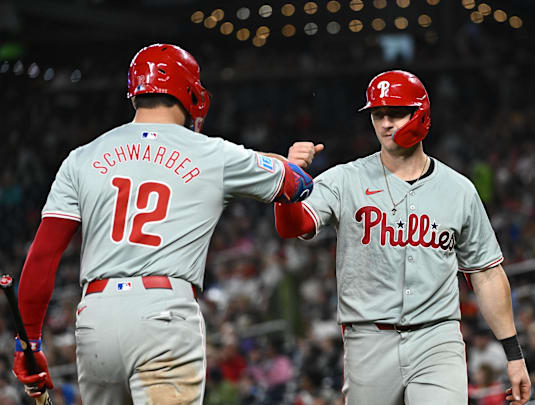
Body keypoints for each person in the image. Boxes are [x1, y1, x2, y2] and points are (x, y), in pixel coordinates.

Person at [11, 43, 313, 404]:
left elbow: (42, 257)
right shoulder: (215, 153)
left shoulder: (82, 157)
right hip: (164, 314)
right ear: (189, 92)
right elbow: (295, 185)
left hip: (96, 319)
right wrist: (291, 160)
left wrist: (28, 344)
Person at [274, 70, 531, 404]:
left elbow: (486, 274)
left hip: (437, 338)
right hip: (368, 340)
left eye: (395, 113)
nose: (385, 123)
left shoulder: (458, 190)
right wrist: (289, 181)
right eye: (378, 115)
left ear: (420, 114)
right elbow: (293, 227)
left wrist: (514, 354)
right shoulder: (344, 180)